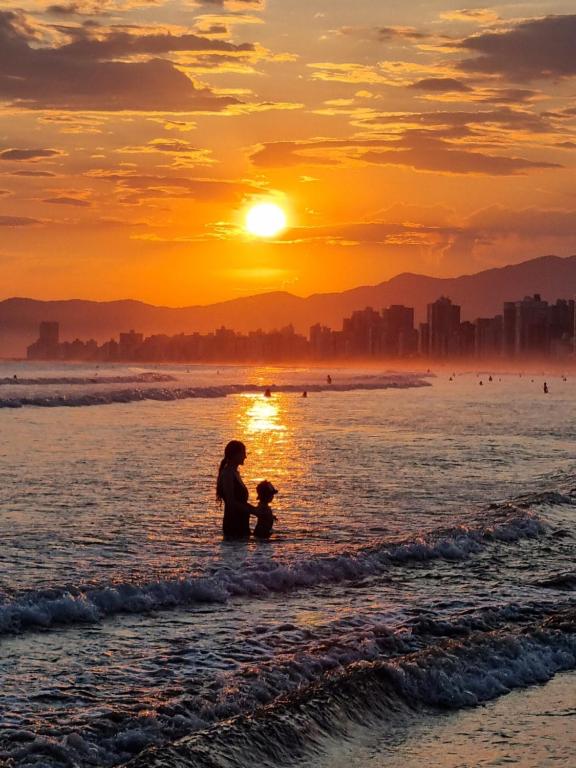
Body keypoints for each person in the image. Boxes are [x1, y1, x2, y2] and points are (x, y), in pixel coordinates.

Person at [216, 440, 254, 540]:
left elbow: (242, 502)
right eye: (243, 453)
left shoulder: (235, 473)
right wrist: (256, 512)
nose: (245, 457)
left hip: (242, 525)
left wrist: (258, 511)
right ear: (235, 454)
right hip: (233, 526)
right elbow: (231, 502)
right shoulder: (227, 474)